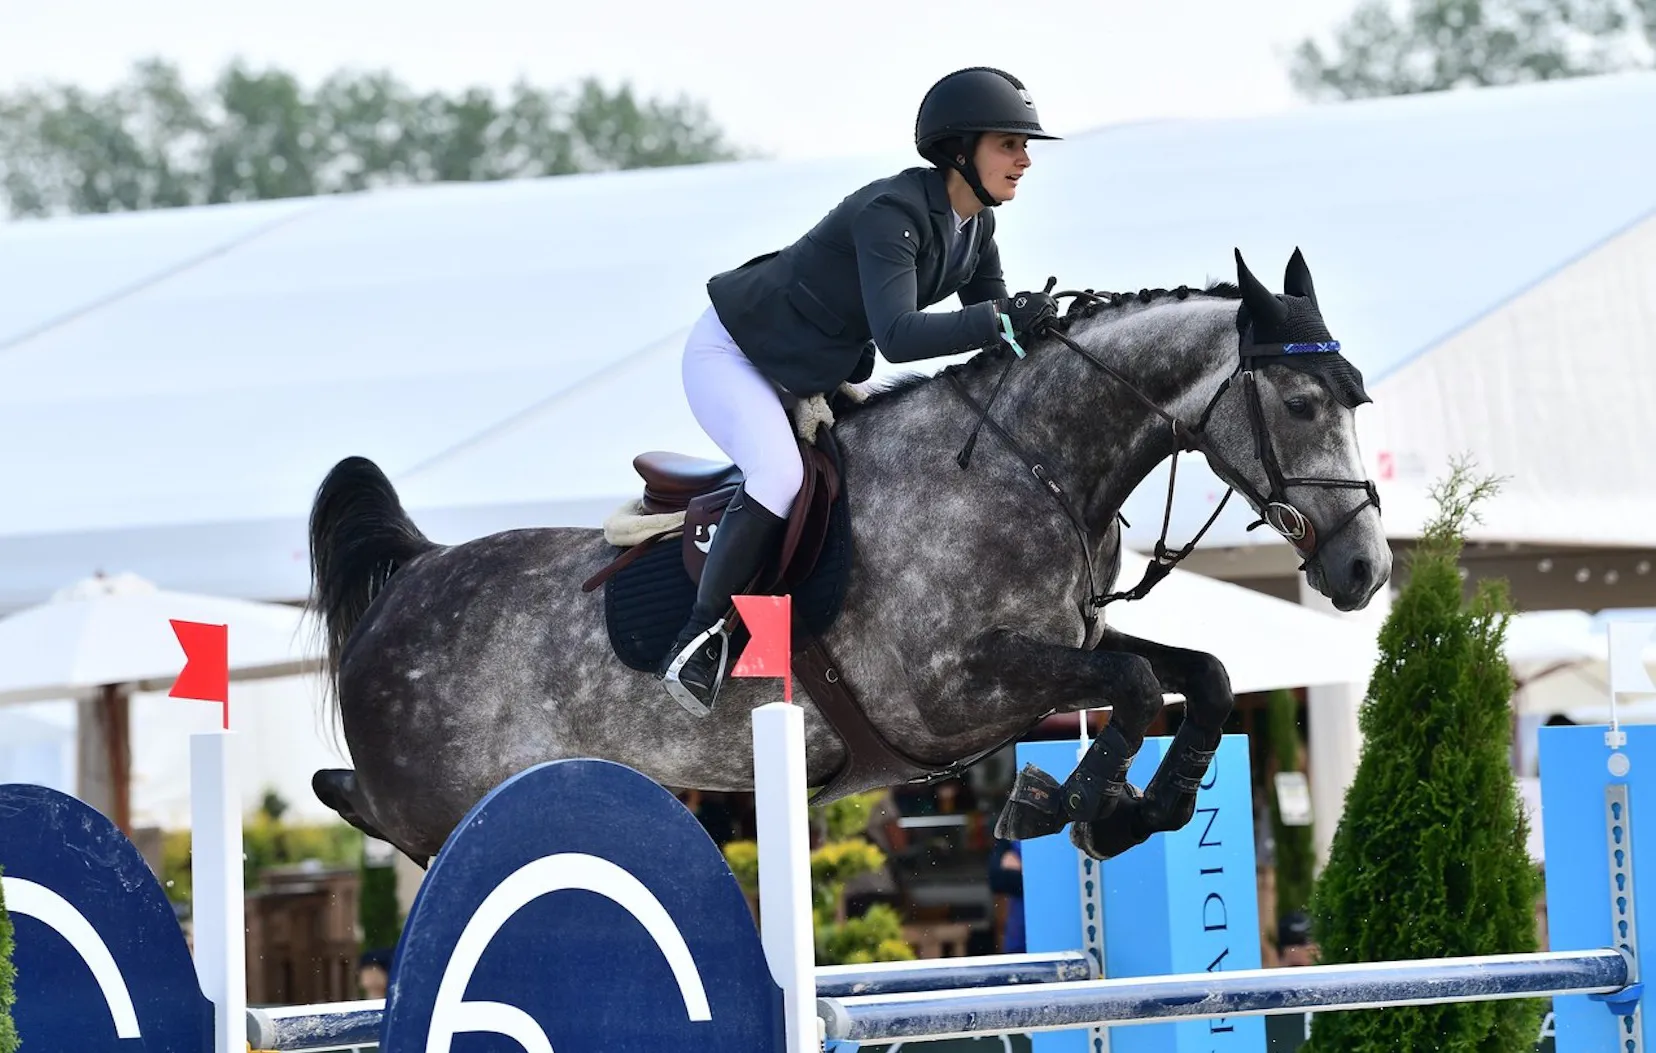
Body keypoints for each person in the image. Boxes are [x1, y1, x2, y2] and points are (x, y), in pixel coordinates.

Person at [659, 66, 1064, 714]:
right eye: (1009, 144)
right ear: (960, 150)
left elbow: (999, 333)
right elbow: (900, 337)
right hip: (733, 353)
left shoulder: (976, 228)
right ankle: (697, 640)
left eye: (1025, 147)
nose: (1024, 160)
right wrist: (1004, 319)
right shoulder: (893, 213)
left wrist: (1049, 329)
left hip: (807, 367)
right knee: (778, 476)